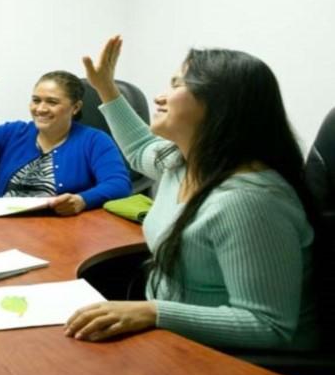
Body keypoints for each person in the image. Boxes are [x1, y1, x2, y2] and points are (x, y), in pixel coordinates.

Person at [65, 36, 318, 351]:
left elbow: (268, 326)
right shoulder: (182, 164)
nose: (160, 96)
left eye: (176, 86)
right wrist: (105, 87)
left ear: (220, 105)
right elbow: (139, 147)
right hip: (177, 339)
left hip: (237, 364)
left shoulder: (250, 202)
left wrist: (153, 312)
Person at [0, 62, 131, 215]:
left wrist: (82, 200)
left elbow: (119, 184)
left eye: (52, 102)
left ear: (75, 107)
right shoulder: (14, 132)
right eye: (36, 100)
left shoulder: (94, 140)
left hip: (57, 231)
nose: (40, 109)